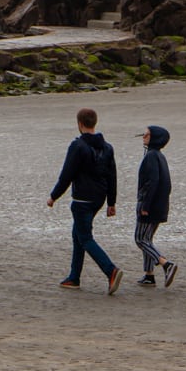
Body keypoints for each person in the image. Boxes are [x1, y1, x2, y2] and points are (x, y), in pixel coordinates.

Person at [48, 107, 122, 294]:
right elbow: (112, 175)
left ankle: (111, 270)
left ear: (80, 124)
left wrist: (54, 196)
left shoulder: (78, 146)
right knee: (78, 235)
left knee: (85, 238)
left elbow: (67, 174)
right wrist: (111, 202)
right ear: (94, 123)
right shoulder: (107, 147)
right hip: (99, 198)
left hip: (82, 200)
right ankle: (74, 277)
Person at [134, 125, 178, 287]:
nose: (143, 136)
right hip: (159, 205)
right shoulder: (159, 156)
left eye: (147, 134)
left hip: (149, 206)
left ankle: (166, 264)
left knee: (140, 239)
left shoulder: (152, 156)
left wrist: (145, 205)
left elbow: (153, 182)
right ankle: (149, 275)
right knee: (148, 239)